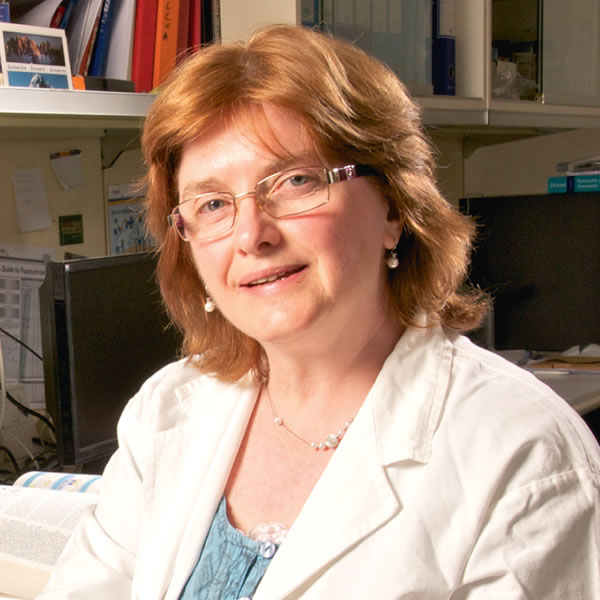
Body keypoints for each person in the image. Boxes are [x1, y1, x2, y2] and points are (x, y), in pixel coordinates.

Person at [39, 24, 600, 599]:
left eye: (295, 181)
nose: (251, 235)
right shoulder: (166, 410)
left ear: (393, 207)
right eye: (212, 204)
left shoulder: (526, 456)